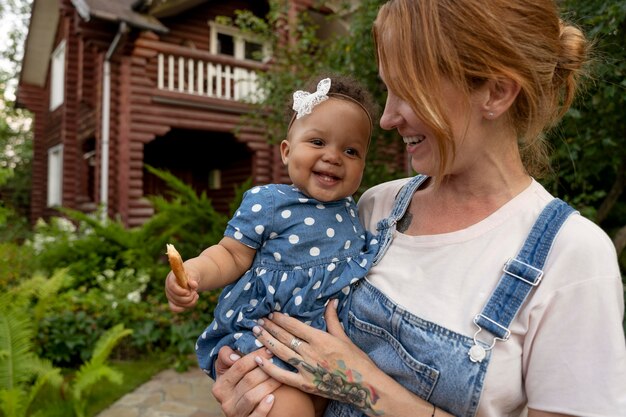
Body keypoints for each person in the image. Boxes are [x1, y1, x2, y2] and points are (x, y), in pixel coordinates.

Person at [209, 0, 626, 416]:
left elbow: (345, 379)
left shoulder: (571, 258)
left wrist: (365, 386)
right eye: (388, 89)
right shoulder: (373, 208)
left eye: (408, 91)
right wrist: (257, 388)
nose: (388, 118)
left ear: (496, 92)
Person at [164, 74, 380, 417]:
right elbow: (230, 255)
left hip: (334, 353)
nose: (334, 156)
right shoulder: (269, 202)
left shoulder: (354, 212)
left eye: (351, 150)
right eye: (318, 141)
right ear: (286, 150)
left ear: (363, 165)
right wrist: (192, 273)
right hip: (274, 342)